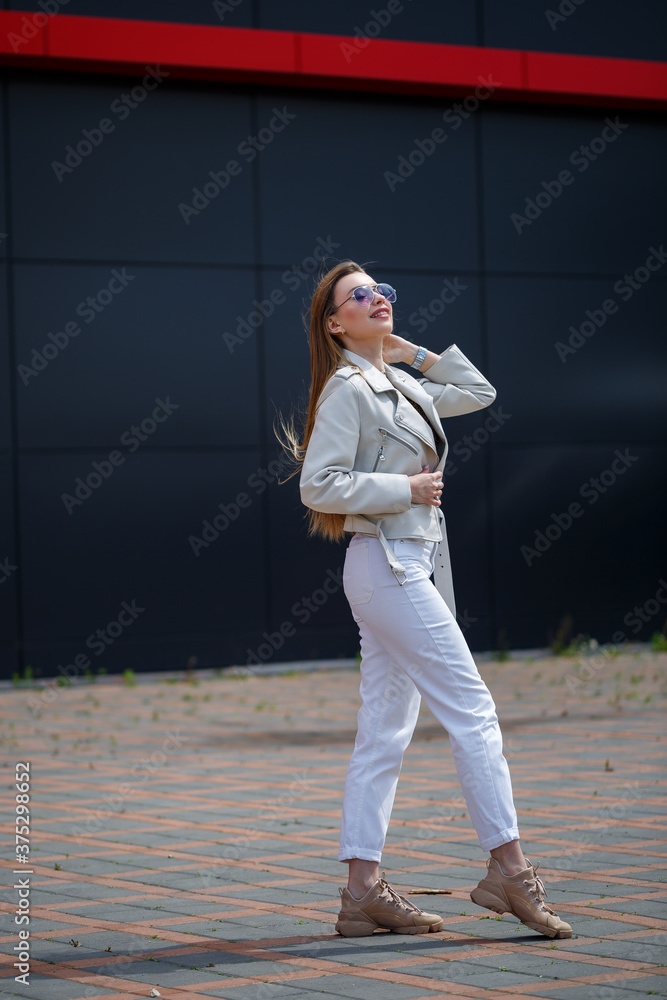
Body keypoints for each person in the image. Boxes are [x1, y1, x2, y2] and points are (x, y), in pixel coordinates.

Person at [277, 259, 571, 940]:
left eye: (382, 291)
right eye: (359, 295)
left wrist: (407, 351)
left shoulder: (399, 381)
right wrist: (400, 491)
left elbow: (479, 390)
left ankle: (360, 894)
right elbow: (316, 486)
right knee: (473, 710)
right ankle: (510, 872)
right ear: (332, 322)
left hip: (408, 566)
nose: (377, 298)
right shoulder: (348, 390)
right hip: (384, 564)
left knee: (382, 734)